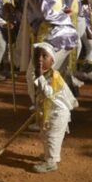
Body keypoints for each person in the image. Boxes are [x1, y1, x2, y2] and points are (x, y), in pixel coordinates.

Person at [15, 0, 78, 108]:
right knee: (49, 76)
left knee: (36, 75)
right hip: (60, 37)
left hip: (55, 37)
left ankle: (44, 113)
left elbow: (49, 14)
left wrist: (62, 14)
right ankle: (60, 108)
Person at [31, 42, 78, 173]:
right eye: (37, 56)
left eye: (44, 56)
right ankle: (48, 156)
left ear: (52, 61)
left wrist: (39, 76)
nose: (39, 59)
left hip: (58, 114)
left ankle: (51, 162)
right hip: (49, 112)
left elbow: (48, 93)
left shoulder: (54, 76)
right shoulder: (42, 74)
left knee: (52, 137)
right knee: (45, 134)